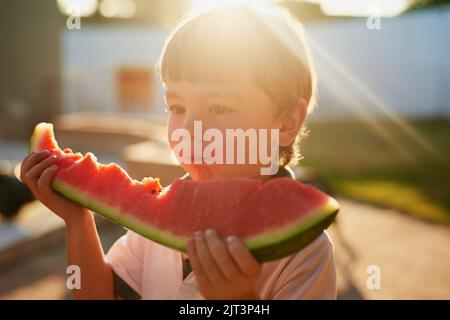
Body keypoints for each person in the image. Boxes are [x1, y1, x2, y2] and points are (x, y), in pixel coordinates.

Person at [20, 3, 336, 300]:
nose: (189, 127)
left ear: (285, 122)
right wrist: (78, 221)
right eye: (177, 106)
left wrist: (239, 300)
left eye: (219, 106)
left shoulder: (307, 252)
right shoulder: (159, 220)